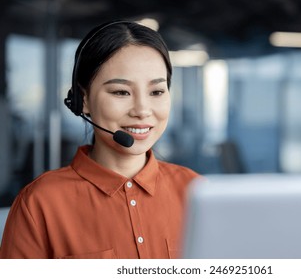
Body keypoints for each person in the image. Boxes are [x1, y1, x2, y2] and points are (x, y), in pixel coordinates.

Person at [0, 20, 199, 259]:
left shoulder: (196, 192)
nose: (142, 110)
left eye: (156, 91)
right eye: (121, 92)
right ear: (83, 100)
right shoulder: (39, 203)